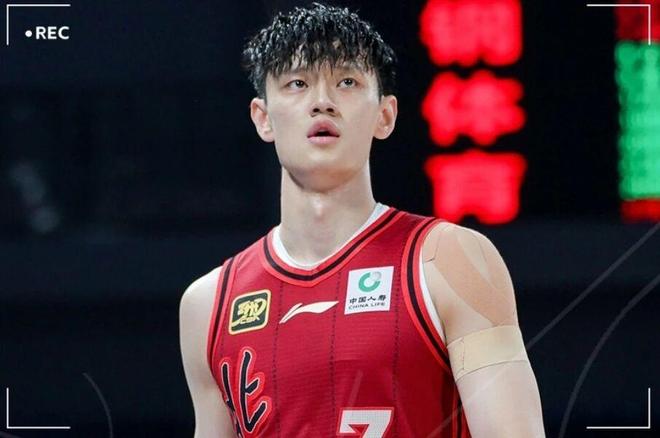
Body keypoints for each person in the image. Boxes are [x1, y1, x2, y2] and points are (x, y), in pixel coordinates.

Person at [179, 3, 545, 437]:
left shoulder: (449, 260)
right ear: (263, 118)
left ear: (385, 116)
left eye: (347, 82)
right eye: (298, 83)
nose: (322, 102)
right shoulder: (209, 305)